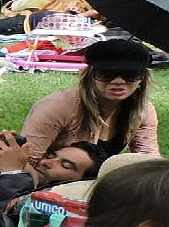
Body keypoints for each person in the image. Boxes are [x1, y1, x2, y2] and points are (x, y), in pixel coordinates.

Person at [20, 38, 159, 160]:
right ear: (90, 75)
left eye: (130, 74)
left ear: (142, 79)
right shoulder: (56, 107)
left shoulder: (143, 111)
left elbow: (148, 160)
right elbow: (26, 161)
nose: (118, 81)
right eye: (107, 74)